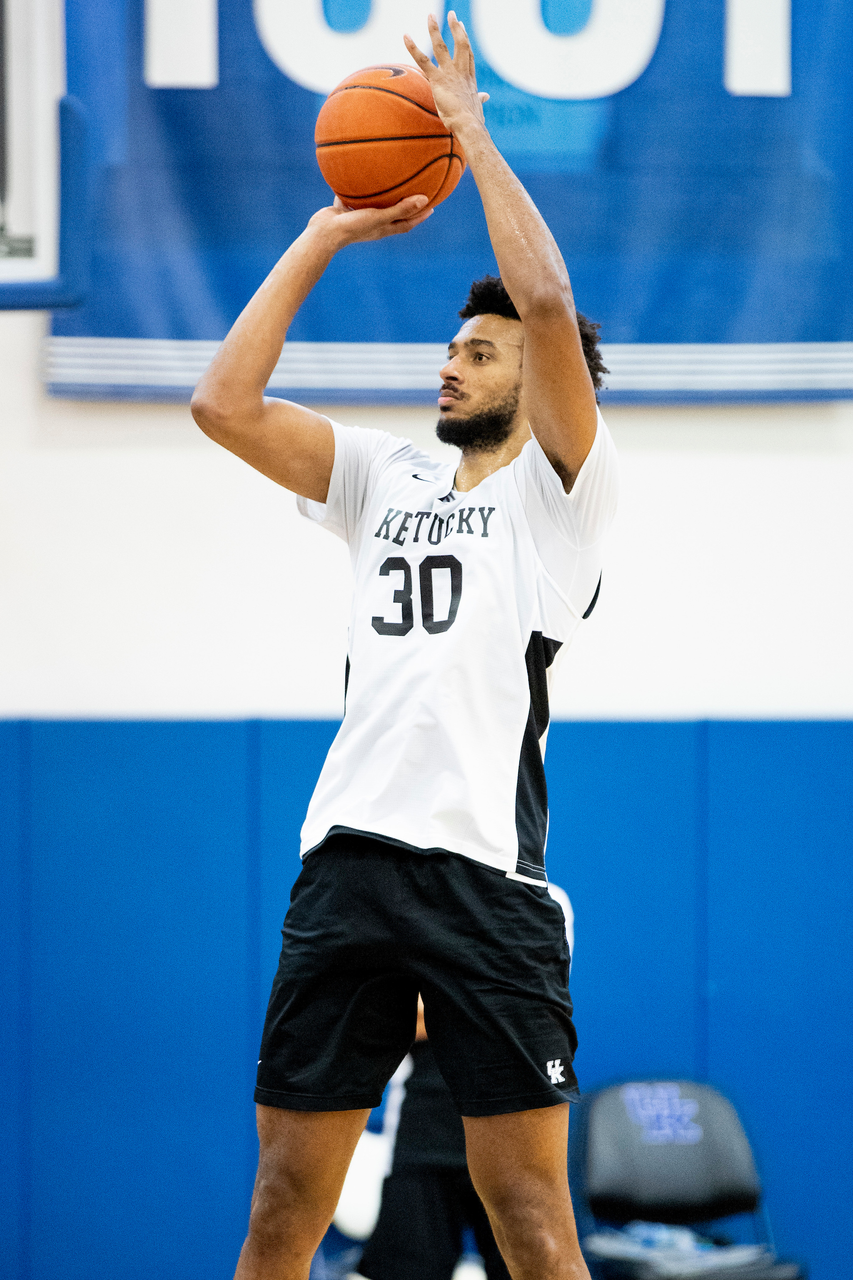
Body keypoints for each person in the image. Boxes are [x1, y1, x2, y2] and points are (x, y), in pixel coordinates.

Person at [191, 13, 618, 1280]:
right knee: (282, 1201)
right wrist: (329, 227)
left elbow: (544, 298)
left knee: (529, 1217)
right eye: (447, 345)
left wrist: (470, 135)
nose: (450, 360)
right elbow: (224, 404)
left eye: (476, 353)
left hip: (484, 882)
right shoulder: (386, 476)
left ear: (533, 383)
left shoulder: (560, 496)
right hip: (348, 863)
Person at [354, 889, 574, 1280]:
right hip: (421, 1132)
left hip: (514, 1124)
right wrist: (477, 1002)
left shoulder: (545, 901)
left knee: (529, 1266)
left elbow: (526, 1011)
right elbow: (393, 1016)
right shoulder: (417, 903)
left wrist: (435, 1001)